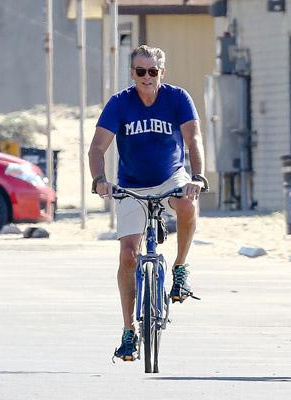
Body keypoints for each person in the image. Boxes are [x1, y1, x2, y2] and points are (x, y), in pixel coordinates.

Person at [88, 45, 208, 361]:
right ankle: (129, 331)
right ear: (132, 74)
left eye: (152, 71)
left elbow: (193, 140)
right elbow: (97, 148)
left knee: (186, 203)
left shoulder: (178, 99)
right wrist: (100, 179)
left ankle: (181, 266)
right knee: (129, 255)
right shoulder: (119, 103)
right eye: (140, 71)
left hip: (171, 178)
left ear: (161, 73)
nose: (146, 77)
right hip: (131, 186)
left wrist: (197, 177)